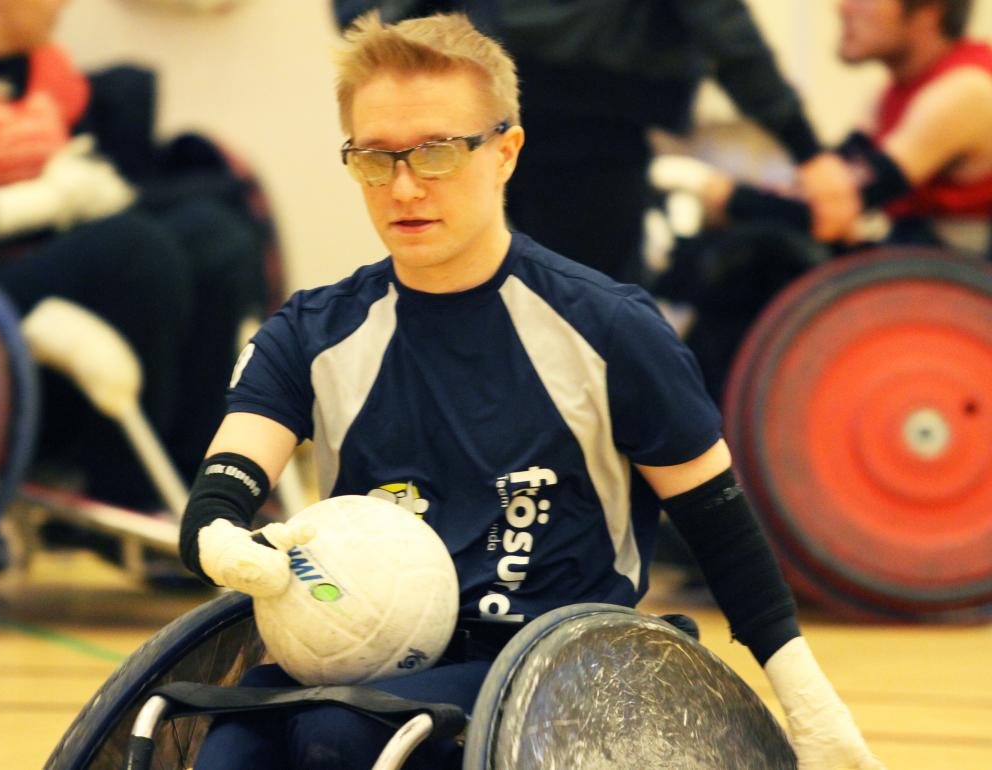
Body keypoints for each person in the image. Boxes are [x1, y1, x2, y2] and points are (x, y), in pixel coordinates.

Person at [178, 12, 883, 770]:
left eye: (438, 152)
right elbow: (223, 488)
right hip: (363, 648)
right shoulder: (311, 331)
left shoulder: (610, 329)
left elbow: (721, 530)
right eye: (376, 159)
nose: (405, 186)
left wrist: (809, 704)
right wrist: (219, 540)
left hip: (559, 672)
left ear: (506, 152)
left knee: (342, 739)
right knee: (230, 750)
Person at [0, 0, 264, 509]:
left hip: (42, 268)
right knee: (134, 250)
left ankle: (201, 482)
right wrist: (44, 202)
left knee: (215, 237)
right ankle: (126, 489)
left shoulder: (49, 65)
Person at [333, 0, 859, 282]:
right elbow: (722, 25)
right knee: (596, 323)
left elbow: (358, 14)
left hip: (475, 118)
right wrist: (807, 149)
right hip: (588, 121)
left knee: (520, 303)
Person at [652, 0, 991, 401]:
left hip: (960, 297)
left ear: (929, 10)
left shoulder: (966, 89)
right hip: (924, 273)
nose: (841, 8)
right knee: (735, 254)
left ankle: (696, 429)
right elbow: (822, 193)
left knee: (757, 258)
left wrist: (715, 190)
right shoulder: (892, 93)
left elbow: (838, 206)